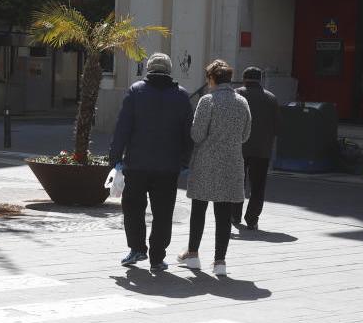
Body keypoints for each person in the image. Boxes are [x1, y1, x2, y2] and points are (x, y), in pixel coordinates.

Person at [109, 52, 194, 271]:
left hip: (137, 164)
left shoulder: (136, 91)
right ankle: (157, 257)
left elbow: (122, 127)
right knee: (163, 213)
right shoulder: (182, 96)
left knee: (133, 208)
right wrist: (185, 160)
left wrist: (115, 157)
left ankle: (137, 248)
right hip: (168, 166)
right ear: (169, 70)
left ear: (149, 69)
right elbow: (188, 133)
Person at [178, 60, 250, 276]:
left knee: (198, 210)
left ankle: (193, 255)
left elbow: (197, 134)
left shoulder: (207, 101)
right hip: (232, 163)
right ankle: (220, 262)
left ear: (212, 79)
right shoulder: (242, 102)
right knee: (224, 213)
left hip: (206, 162)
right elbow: (245, 136)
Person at [233, 66, 279, 231]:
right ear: (260, 79)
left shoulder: (236, 94)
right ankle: (252, 219)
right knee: (258, 186)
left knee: (238, 181)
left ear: (244, 78)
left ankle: (235, 214)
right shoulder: (271, 98)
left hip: (238, 147)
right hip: (262, 149)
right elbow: (277, 127)